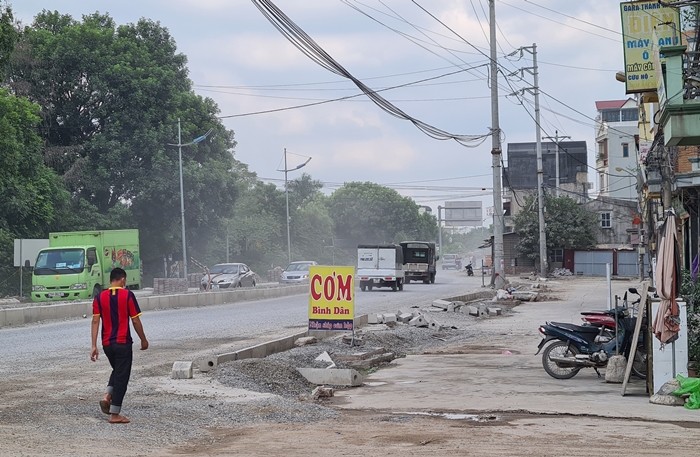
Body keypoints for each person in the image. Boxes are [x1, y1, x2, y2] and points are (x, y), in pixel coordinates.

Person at [90, 267, 149, 424]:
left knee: (118, 370)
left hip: (107, 343)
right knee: (122, 376)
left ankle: (107, 395)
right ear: (122, 279)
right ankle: (115, 414)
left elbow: (95, 321)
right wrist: (143, 339)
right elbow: (135, 320)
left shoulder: (99, 298)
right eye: (125, 280)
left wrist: (93, 345)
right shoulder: (128, 295)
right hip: (123, 343)